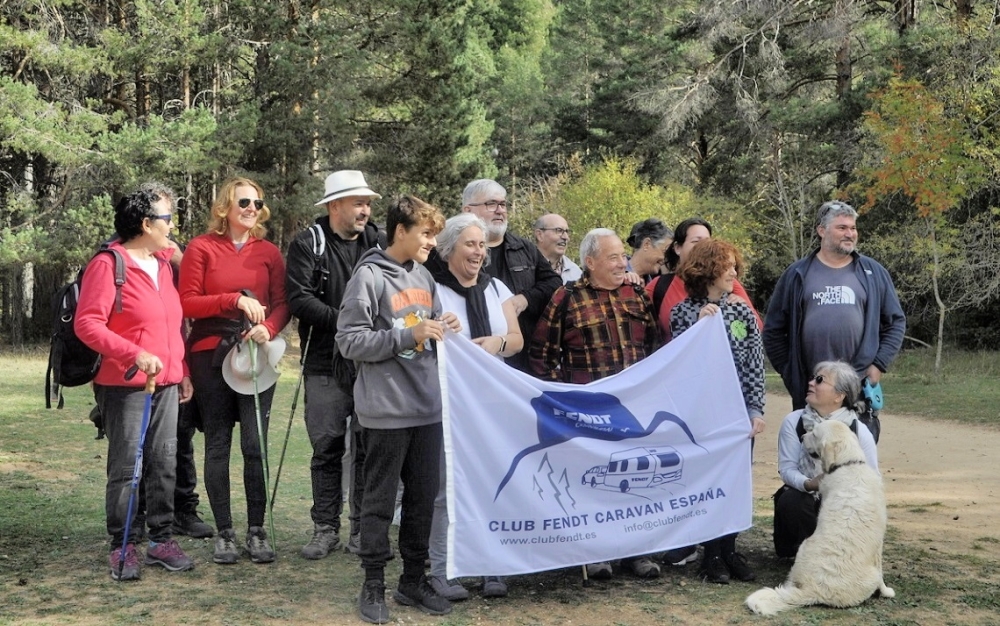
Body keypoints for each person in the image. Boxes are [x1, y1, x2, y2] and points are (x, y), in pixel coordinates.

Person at [336, 195, 461, 624]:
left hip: (427, 409)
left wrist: (445, 326)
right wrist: (406, 337)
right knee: (379, 503)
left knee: (423, 502)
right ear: (401, 231)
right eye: (426, 234)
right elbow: (349, 341)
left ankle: (412, 580)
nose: (432, 242)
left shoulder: (425, 276)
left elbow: (429, 325)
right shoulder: (368, 277)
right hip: (385, 411)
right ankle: (373, 584)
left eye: (435, 235)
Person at [75, 188, 195, 581]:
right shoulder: (108, 265)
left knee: (163, 462)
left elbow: (171, 325)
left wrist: (181, 372)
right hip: (125, 385)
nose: (172, 225)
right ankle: (123, 544)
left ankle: (161, 541)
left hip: (165, 384)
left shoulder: (162, 265)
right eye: (167, 219)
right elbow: (88, 324)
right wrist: (133, 354)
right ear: (146, 224)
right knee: (129, 467)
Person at [529, 229, 661, 580]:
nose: (623, 263)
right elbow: (542, 354)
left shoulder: (637, 295)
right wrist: (565, 401)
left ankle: (638, 552)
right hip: (588, 412)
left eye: (623, 256)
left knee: (636, 479)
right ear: (590, 262)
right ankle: (597, 553)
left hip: (633, 410)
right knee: (595, 483)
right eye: (614, 257)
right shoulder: (566, 297)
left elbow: (653, 346)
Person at [179, 177, 290, 565]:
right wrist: (235, 301)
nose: (252, 208)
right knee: (219, 445)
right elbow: (187, 304)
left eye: (258, 202)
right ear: (224, 206)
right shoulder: (201, 247)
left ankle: (256, 530)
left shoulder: (270, 253)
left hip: (256, 356)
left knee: (254, 447)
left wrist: (269, 328)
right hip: (210, 355)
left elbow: (281, 303)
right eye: (244, 201)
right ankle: (224, 532)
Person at [285, 171, 384, 560]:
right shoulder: (309, 242)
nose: (365, 210)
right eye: (358, 202)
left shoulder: (378, 241)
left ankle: (362, 528)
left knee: (367, 446)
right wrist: (348, 325)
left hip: (369, 364)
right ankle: (325, 527)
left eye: (368, 203)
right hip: (324, 362)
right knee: (326, 447)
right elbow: (299, 299)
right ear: (334, 206)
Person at [425, 214, 523, 600]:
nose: (479, 252)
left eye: (482, 245)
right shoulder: (432, 290)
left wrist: (495, 345)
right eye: (470, 244)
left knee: (492, 483)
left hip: (494, 403)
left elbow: (515, 338)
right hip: (451, 402)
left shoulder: (498, 287)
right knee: (445, 488)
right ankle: (442, 568)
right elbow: (420, 338)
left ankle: (491, 565)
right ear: (449, 249)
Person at [763, 201, 906, 441]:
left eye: (853, 228)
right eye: (842, 228)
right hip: (812, 388)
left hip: (857, 386)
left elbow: (895, 322)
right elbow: (774, 330)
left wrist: (879, 364)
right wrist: (790, 372)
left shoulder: (873, 273)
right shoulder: (797, 274)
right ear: (822, 230)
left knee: (855, 462)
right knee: (811, 459)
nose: (850, 234)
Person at [670, 238, 766, 584]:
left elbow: (755, 364)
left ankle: (729, 549)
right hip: (703, 416)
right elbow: (680, 364)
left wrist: (755, 408)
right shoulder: (682, 313)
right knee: (709, 481)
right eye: (725, 266)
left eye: (734, 265)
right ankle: (710, 555)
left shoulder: (741, 310)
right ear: (706, 270)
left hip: (738, 415)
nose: (733, 272)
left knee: (736, 482)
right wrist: (699, 325)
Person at [773, 361, 879, 558]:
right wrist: (810, 483)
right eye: (813, 378)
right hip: (806, 502)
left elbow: (871, 479)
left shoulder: (858, 430)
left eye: (820, 380)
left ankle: (844, 556)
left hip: (842, 504)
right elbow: (787, 470)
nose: (811, 383)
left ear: (839, 396)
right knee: (792, 499)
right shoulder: (794, 421)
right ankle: (806, 555)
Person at [461, 179, 561, 373]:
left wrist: (526, 299)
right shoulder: (449, 254)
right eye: (491, 204)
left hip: (524, 362)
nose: (500, 210)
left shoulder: (524, 248)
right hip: (475, 361)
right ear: (467, 211)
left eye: (503, 204)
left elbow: (554, 283)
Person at [647, 217, 761, 343]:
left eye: (707, 242)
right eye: (696, 241)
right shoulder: (660, 286)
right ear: (678, 248)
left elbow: (755, 331)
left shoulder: (727, 283)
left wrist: (739, 309)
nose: (702, 248)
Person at [533, 213, 582, 283]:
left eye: (567, 232)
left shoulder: (576, 273)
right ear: (540, 235)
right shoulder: (523, 268)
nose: (566, 237)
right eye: (559, 230)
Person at [625, 218, 672, 283]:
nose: (666, 259)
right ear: (646, 244)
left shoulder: (654, 287)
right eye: (665, 252)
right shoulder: (613, 274)